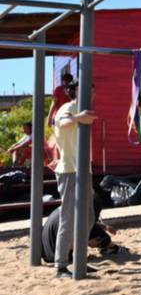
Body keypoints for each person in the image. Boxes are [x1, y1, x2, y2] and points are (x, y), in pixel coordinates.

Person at [52, 81, 98, 278]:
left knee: (88, 217)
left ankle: (79, 258)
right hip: (69, 170)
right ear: (76, 91)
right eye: (89, 88)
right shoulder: (68, 108)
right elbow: (62, 122)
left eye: (93, 89)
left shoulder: (82, 109)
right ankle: (60, 265)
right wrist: (80, 118)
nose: (93, 92)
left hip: (83, 170)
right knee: (69, 218)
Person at [42, 192, 122, 264]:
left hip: (46, 254)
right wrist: (86, 242)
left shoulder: (66, 210)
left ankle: (112, 247)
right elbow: (67, 240)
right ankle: (113, 247)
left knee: (92, 228)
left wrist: (105, 226)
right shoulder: (73, 219)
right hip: (58, 258)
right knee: (99, 235)